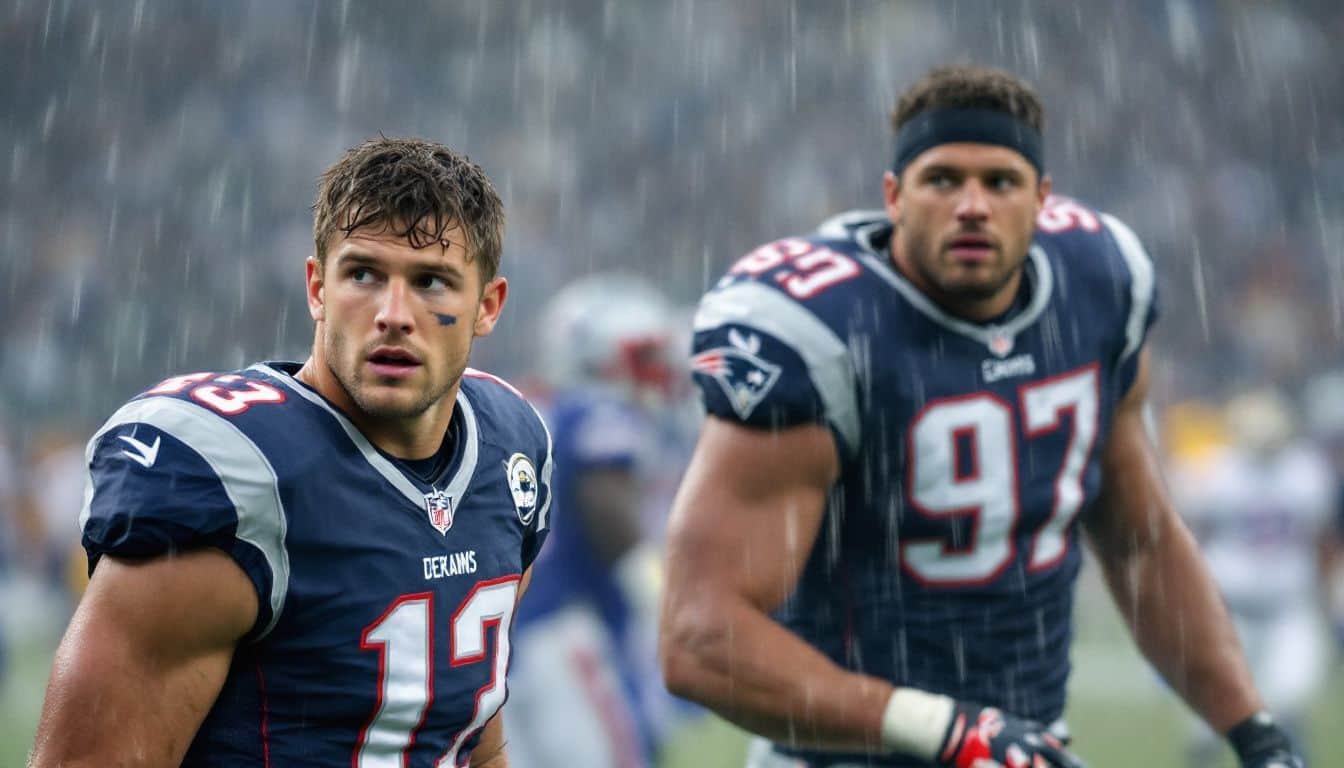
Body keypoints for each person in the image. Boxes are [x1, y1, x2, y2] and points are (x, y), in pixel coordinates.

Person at [658, 65, 1306, 768]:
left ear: (1042, 199)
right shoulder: (822, 331)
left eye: (1000, 181)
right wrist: (943, 728)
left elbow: (1140, 542)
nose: (973, 205)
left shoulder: (1096, 287)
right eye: (942, 179)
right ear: (893, 197)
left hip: (1024, 748)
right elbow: (699, 638)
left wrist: (1255, 733)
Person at [29, 137, 553, 766]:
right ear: (316, 287)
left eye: (432, 282)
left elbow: (468, 730)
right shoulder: (236, 475)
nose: (393, 314)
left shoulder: (509, 448)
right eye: (362, 274)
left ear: (487, 306)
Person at [507, 274, 681, 768]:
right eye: (643, 360)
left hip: (504, 637)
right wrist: (658, 593)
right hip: (565, 629)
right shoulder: (596, 411)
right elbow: (606, 507)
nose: (656, 377)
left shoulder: (526, 410)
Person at [1171, 388, 1333, 766]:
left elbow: (1321, 542)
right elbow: (1188, 539)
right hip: (1230, 611)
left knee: (1286, 700)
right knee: (1212, 714)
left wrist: (1326, 598)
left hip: (1287, 609)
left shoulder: (1306, 472)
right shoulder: (1216, 471)